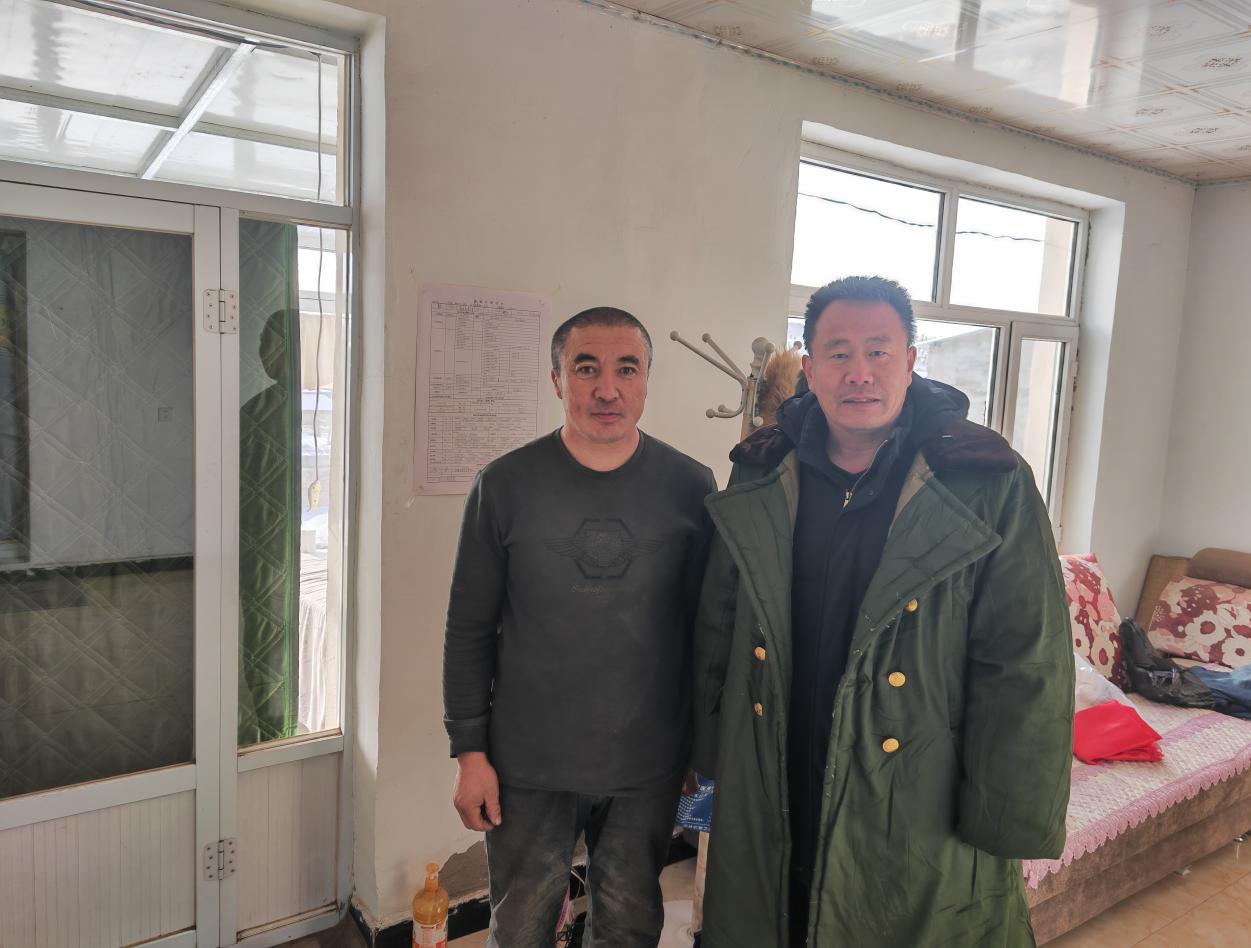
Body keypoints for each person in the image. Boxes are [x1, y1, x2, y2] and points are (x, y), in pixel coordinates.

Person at [693, 276, 1074, 947]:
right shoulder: (763, 471)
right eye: (838, 353)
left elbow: (1026, 656)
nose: (859, 373)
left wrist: (1009, 811)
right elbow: (720, 622)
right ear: (809, 368)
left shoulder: (985, 480)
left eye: (878, 351)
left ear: (911, 361)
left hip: (915, 783)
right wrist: (707, 751)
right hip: (777, 765)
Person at [443, 307, 715, 948]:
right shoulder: (504, 486)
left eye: (628, 369)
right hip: (528, 764)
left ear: (647, 382)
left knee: (629, 925)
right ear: (557, 380)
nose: (607, 389)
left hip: (647, 763)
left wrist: (698, 752)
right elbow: (469, 628)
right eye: (586, 369)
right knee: (520, 928)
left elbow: (704, 632)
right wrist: (469, 752)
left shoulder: (689, 487)